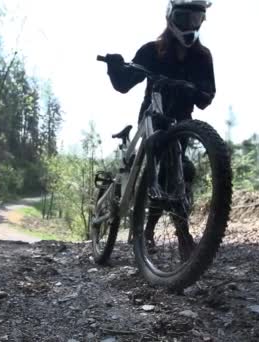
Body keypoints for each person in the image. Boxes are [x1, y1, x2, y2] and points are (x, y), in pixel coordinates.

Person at [102, 0, 216, 260]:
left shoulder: (203, 57)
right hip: (153, 116)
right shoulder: (152, 51)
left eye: (196, 19)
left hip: (182, 123)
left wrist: (191, 89)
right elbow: (123, 84)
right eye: (184, 17)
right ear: (170, 18)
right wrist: (115, 66)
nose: (190, 25)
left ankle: (156, 231)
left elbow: (206, 97)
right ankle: (156, 232)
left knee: (178, 172)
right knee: (158, 168)